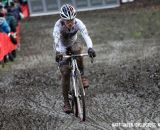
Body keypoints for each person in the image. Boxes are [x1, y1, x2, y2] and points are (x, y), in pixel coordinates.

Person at [53, 4, 96, 114]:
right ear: (62, 19)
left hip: (73, 43)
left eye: (72, 20)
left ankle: (82, 76)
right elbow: (56, 40)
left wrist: (90, 47)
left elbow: (86, 35)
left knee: (78, 51)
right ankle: (66, 102)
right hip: (61, 47)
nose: (70, 22)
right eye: (67, 21)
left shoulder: (78, 23)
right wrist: (58, 52)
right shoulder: (58, 25)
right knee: (65, 72)